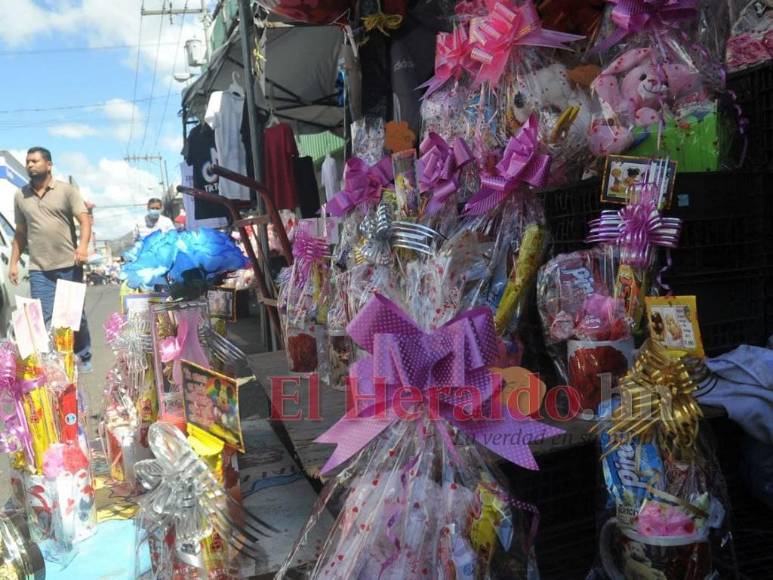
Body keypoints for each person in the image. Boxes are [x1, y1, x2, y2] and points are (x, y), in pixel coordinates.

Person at [9, 147, 93, 372]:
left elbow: (84, 219)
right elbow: (20, 232)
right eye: (27, 161)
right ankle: (55, 365)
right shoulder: (20, 195)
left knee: (74, 317)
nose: (30, 165)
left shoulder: (66, 191)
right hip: (39, 269)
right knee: (44, 320)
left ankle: (83, 355)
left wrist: (82, 247)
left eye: (35, 161)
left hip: (68, 264)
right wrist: (13, 263)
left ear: (49, 165)